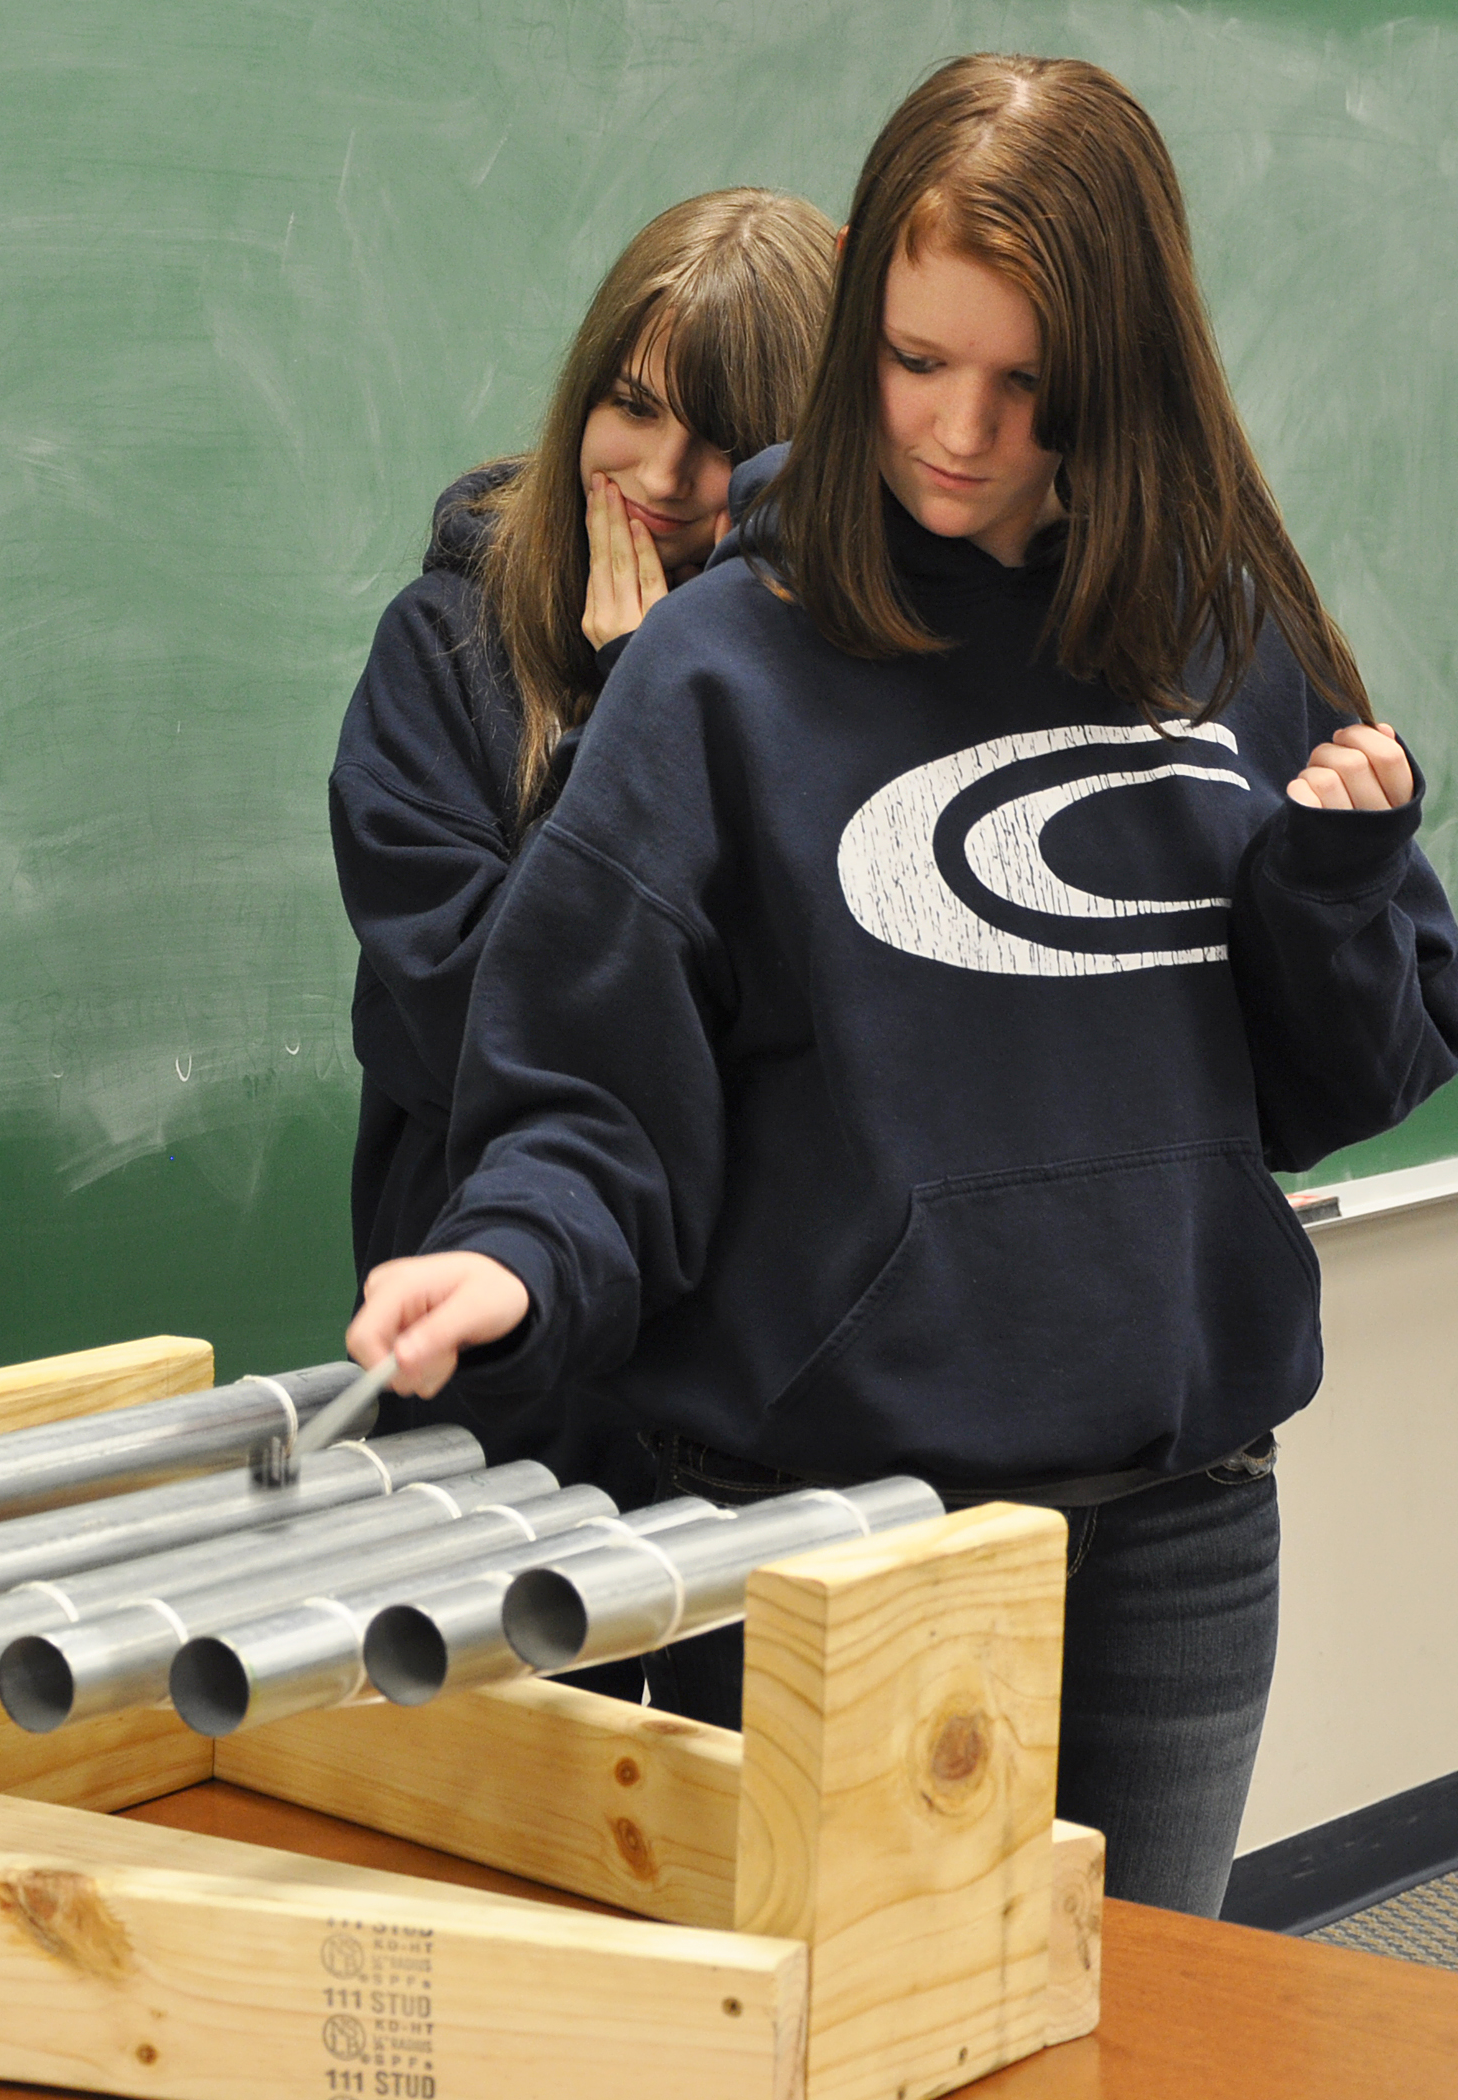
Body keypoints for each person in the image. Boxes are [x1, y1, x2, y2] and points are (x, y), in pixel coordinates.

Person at [344, 54, 1458, 1914]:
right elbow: (595, 1091)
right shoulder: (715, 673)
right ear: (862, 318)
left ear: (1122, 370)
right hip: (824, 1545)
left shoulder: (1219, 625)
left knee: (1125, 2031)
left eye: (1027, 385)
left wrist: (1333, 884)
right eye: (918, 360)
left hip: (1179, 1537)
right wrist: (516, 1255)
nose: (959, 429)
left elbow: (1339, 1081)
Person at [329, 190, 836, 1554]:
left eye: (723, 438)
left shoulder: (838, 692)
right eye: (631, 406)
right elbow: (496, 1022)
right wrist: (635, 708)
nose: (663, 477)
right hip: (506, 1412)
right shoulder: (443, 654)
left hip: (767, 1424)